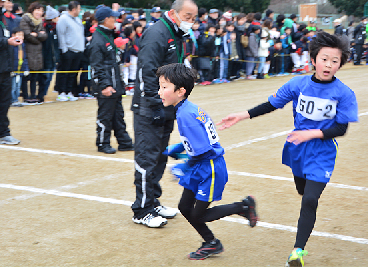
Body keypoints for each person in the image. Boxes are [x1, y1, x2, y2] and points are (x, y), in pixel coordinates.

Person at [218, 31, 358, 267]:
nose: (329, 64)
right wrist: (242, 115)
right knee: (302, 190)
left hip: (322, 152)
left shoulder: (344, 93)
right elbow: (272, 104)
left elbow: (341, 129)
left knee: (310, 200)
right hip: (296, 149)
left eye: (335, 61)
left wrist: (311, 133)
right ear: (313, 60)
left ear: (340, 65)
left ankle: (297, 252)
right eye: (324, 59)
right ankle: (300, 203)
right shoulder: (298, 84)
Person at [157, 63, 258, 260]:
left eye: (164, 87)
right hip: (202, 165)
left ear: (180, 91)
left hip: (209, 169)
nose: (159, 91)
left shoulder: (185, 115)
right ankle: (211, 243)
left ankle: (243, 207)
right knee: (185, 208)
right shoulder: (188, 108)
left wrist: (184, 166)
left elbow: (202, 151)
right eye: (160, 86)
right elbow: (198, 141)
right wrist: (177, 148)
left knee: (198, 215)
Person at [131, 0, 198, 228]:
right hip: (150, 107)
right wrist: (154, 104)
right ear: (173, 13)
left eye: (193, 17)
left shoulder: (178, 34)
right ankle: (141, 209)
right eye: (187, 16)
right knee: (147, 158)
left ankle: (153, 201)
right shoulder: (157, 33)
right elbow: (145, 73)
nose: (191, 21)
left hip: (168, 105)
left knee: (160, 156)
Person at [88, 6, 134, 154]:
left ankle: (124, 142)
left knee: (118, 115)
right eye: (113, 17)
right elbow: (96, 66)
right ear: (106, 19)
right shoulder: (98, 39)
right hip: (106, 86)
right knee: (105, 116)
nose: (115, 20)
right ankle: (102, 143)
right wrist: (105, 85)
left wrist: (120, 49)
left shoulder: (108, 35)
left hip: (115, 84)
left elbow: (113, 61)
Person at [0, 0, 23, 145]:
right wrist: (6, 41)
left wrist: (14, 39)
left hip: (5, 67)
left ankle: (3, 134)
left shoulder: (3, 16)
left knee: (4, 103)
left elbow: (4, 38)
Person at [56, 1, 84, 101]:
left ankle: (69, 91)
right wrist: (64, 50)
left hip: (78, 50)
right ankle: (61, 92)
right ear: (74, 9)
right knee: (64, 72)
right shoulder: (63, 19)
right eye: (79, 8)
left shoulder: (78, 19)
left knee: (73, 73)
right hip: (68, 50)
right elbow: (61, 34)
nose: (80, 10)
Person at [19, 2, 47, 103]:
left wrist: (36, 35)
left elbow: (45, 36)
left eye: (41, 10)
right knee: (26, 76)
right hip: (27, 51)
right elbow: (27, 35)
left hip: (37, 53)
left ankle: (33, 96)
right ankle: (26, 96)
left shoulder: (40, 21)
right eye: (38, 10)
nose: (40, 12)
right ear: (32, 10)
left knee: (35, 76)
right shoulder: (25, 19)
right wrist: (38, 37)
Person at [42, 5, 60, 102]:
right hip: (46, 57)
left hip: (53, 58)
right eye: (57, 17)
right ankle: (41, 95)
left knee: (50, 77)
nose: (59, 19)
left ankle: (44, 94)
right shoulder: (45, 29)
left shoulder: (55, 29)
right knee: (45, 77)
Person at [11, 27, 29, 107]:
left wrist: (26, 69)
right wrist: (10, 69)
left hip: (20, 70)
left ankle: (16, 99)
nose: (21, 36)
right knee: (13, 87)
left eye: (22, 35)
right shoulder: (11, 45)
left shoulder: (22, 46)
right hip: (13, 70)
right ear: (13, 35)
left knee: (18, 87)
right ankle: (12, 100)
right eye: (18, 35)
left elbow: (24, 58)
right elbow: (9, 58)